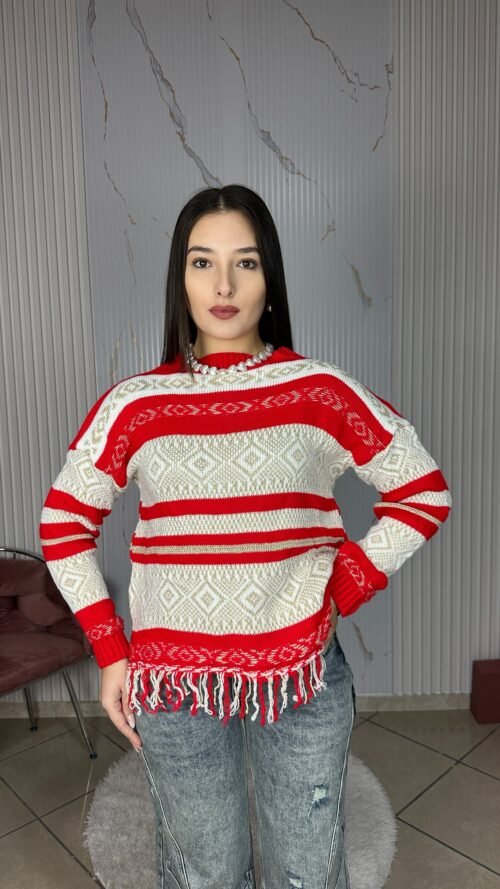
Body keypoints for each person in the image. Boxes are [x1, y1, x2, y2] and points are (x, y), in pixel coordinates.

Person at [40, 184, 452, 889]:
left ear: (270, 277)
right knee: (205, 874)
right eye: (202, 262)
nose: (224, 285)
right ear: (180, 276)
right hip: (175, 685)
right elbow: (63, 522)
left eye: (246, 262)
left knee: (306, 872)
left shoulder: (319, 391)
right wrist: (110, 650)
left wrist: (342, 586)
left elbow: (423, 490)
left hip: (301, 672)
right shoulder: (135, 405)